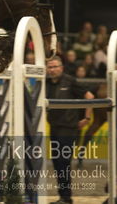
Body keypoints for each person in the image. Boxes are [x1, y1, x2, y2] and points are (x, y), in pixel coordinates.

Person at [46, 56, 94, 204]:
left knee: (63, 161)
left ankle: (66, 197)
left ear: (62, 68)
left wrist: (86, 118)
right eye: (50, 67)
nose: (52, 70)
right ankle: (64, 197)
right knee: (57, 163)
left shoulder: (70, 81)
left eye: (55, 67)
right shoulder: (45, 83)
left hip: (68, 129)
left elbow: (90, 97)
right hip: (54, 128)